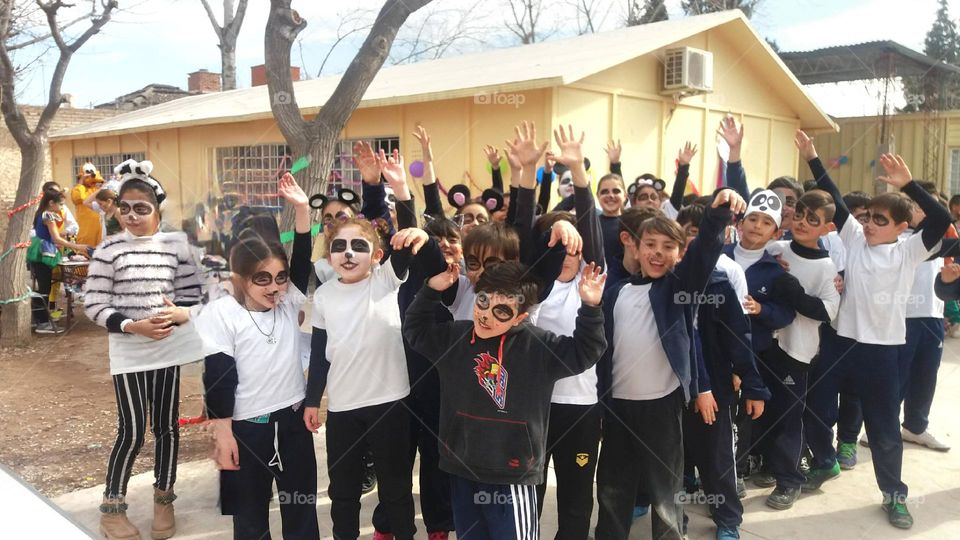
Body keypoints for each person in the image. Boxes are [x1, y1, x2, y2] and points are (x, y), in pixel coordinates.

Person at [796, 130, 952, 529]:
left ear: (901, 227)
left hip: (882, 352)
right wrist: (813, 156)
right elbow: (830, 191)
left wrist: (909, 185)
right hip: (840, 343)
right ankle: (826, 463)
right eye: (868, 218)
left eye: (880, 221)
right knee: (814, 407)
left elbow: (942, 219)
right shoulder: (853, 239)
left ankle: (894, 496)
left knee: (884, 430)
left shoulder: (909, 252)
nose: (869, 225)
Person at [403, 259, 607, 540]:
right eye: (483, 302)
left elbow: (587, 350)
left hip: (513, 473)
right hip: (462, 465)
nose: (486, 316)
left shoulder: (539, 348)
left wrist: (590, 308)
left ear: (520, 317)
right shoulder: (454, 338)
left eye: (501, 311)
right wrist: (430, 290)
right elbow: (415, 330)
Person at [594, 188, 748, 540]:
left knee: (666, 491)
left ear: (679, 255)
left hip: (661, 407)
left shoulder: (679, 290)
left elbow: (706, 249)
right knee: (612, 487)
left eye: (668, 246)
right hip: (618, 407)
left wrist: (717, 213)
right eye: (650, 244)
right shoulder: (616, 291)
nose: (658, 253)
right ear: (635, 246)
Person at [83, 159, 203, 540]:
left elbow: (194, 297)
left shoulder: (177, 245)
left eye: (142, 208)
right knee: (132, 432)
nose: (132, 216)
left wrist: (182, 314)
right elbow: (94, 304)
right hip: (130, 351)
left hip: (168, 349)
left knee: (167, 428)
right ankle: (112, 509)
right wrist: (132, 325)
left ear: (157, 209)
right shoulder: (108, 250)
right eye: (125, 208)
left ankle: (163, 502)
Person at [196, 173, 319, 539]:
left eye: (280, 278)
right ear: (240, 279)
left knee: (301, 509)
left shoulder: (287, 301)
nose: (275, 287)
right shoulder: (222, 314)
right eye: (262, 279)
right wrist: (223, 435)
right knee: (248, 519)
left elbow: (301, 259)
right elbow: (218, 378)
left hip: (293, 422)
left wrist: (300, 209)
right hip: (247, 429)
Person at [757, 189, 841, 510]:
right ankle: (765, 465)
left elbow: (828, 310)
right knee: (760, 410)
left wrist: (794, 293)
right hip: (765, 345)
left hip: (797, 352)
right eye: (800, 214)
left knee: (789, 419)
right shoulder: (775, 249)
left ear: (827, 228)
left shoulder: (826, 268)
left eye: (813, 219)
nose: (803, 222)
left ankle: (789, 480)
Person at [29, 189, 92, 334]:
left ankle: (40, 320)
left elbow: (52, 236)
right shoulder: (48, 215)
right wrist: (78, 247)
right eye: (61, 204)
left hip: (39, 251)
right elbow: (56, 238)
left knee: (44, 287)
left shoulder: (41, 214)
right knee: (44, 288)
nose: (62, 207)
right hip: (44, 253)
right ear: (51, 203)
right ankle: (42, 323)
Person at [72, 162, 106, 248]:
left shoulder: (97, 189)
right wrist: (81, 182)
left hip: (100, 226)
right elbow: (79, 198)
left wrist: (103, 182)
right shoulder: (78, 189)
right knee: (86, 248)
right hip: (87, 228)